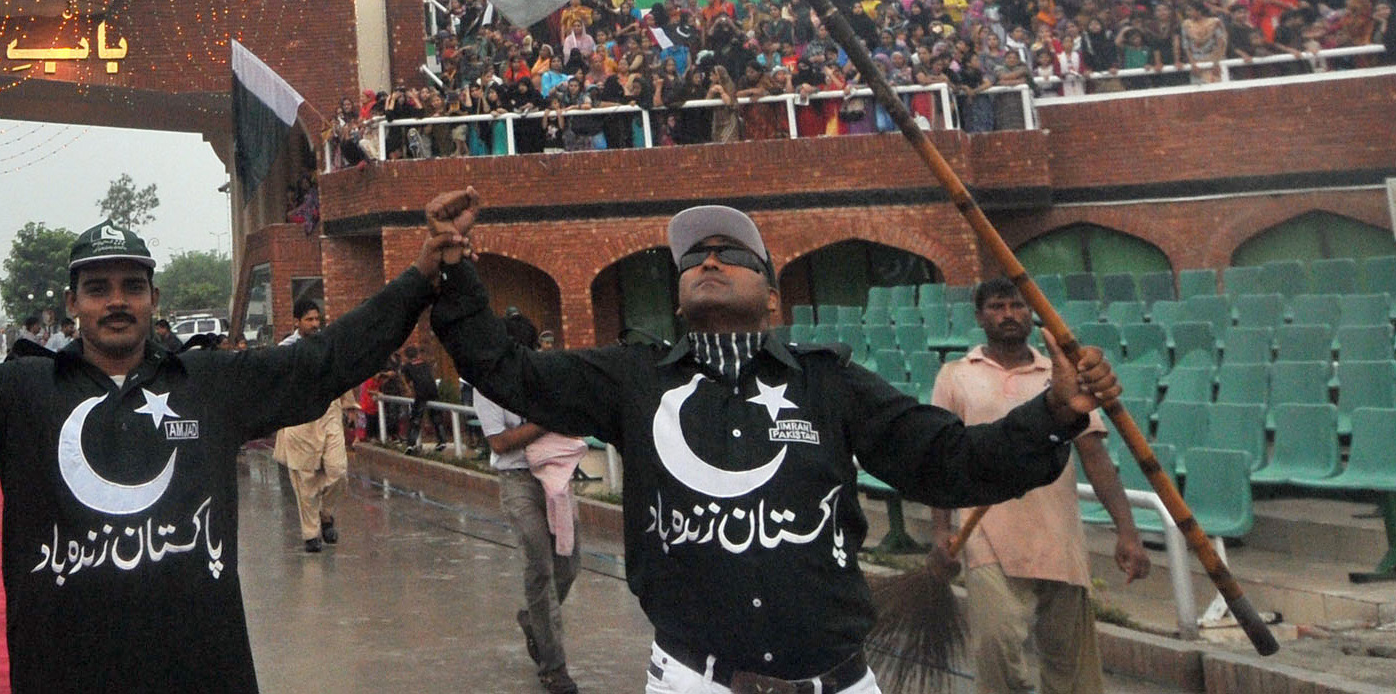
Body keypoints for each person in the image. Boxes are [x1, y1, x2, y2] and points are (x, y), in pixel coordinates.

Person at [427, 199, 1122, 694]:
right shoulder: (631, 379)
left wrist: (1054, 413)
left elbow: (949, 461)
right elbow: (506, 371)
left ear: (770, 293)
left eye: (732, 253)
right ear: (678, 297)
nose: (709, 260)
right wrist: (456, 271)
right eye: (693, 256)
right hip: (692, 680)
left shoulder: (830, 382)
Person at [0, 202, 461, 694]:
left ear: (153, 296)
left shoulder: (210, 385)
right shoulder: (20, 394)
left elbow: (326, 361)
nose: (116, 301)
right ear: (72, 302)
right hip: (64, 672)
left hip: (201, 672)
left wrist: (419, 278)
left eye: (132, 285)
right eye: (98, 287)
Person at [930, 279, 1150, 694]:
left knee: (1071, 666)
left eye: (1017, 306)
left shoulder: (1062, 375)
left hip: (1057, 534)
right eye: (997, 307)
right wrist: (941, 529)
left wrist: (1128, 531)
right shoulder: (956, 376)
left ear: (1031, 315)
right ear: (979, 317)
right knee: (996, 647)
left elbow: (1095, 457)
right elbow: (942, 458)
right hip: (985, 534)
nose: (1008, 314)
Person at [476, 343, 590, 694]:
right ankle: (553, 667)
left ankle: (533, 619)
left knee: (568, 563)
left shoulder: (543, 377)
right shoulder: (487, 387)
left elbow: (571, 414)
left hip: (554, 475)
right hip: (517, 481)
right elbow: (499, 443)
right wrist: (545, 421)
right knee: (539, 565)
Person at [270, 296, 355, 552]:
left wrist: (349, 404)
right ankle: (311, 535)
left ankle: (326, 513)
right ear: (297, 322)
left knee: (338, 471)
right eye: (309, 320)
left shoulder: (328, 345)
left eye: (317, 319)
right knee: (305, 479)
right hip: (299, 418)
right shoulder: (285, 350)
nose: (315, 324)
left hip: (329, 413)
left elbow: (342, 375)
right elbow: (274, 384)